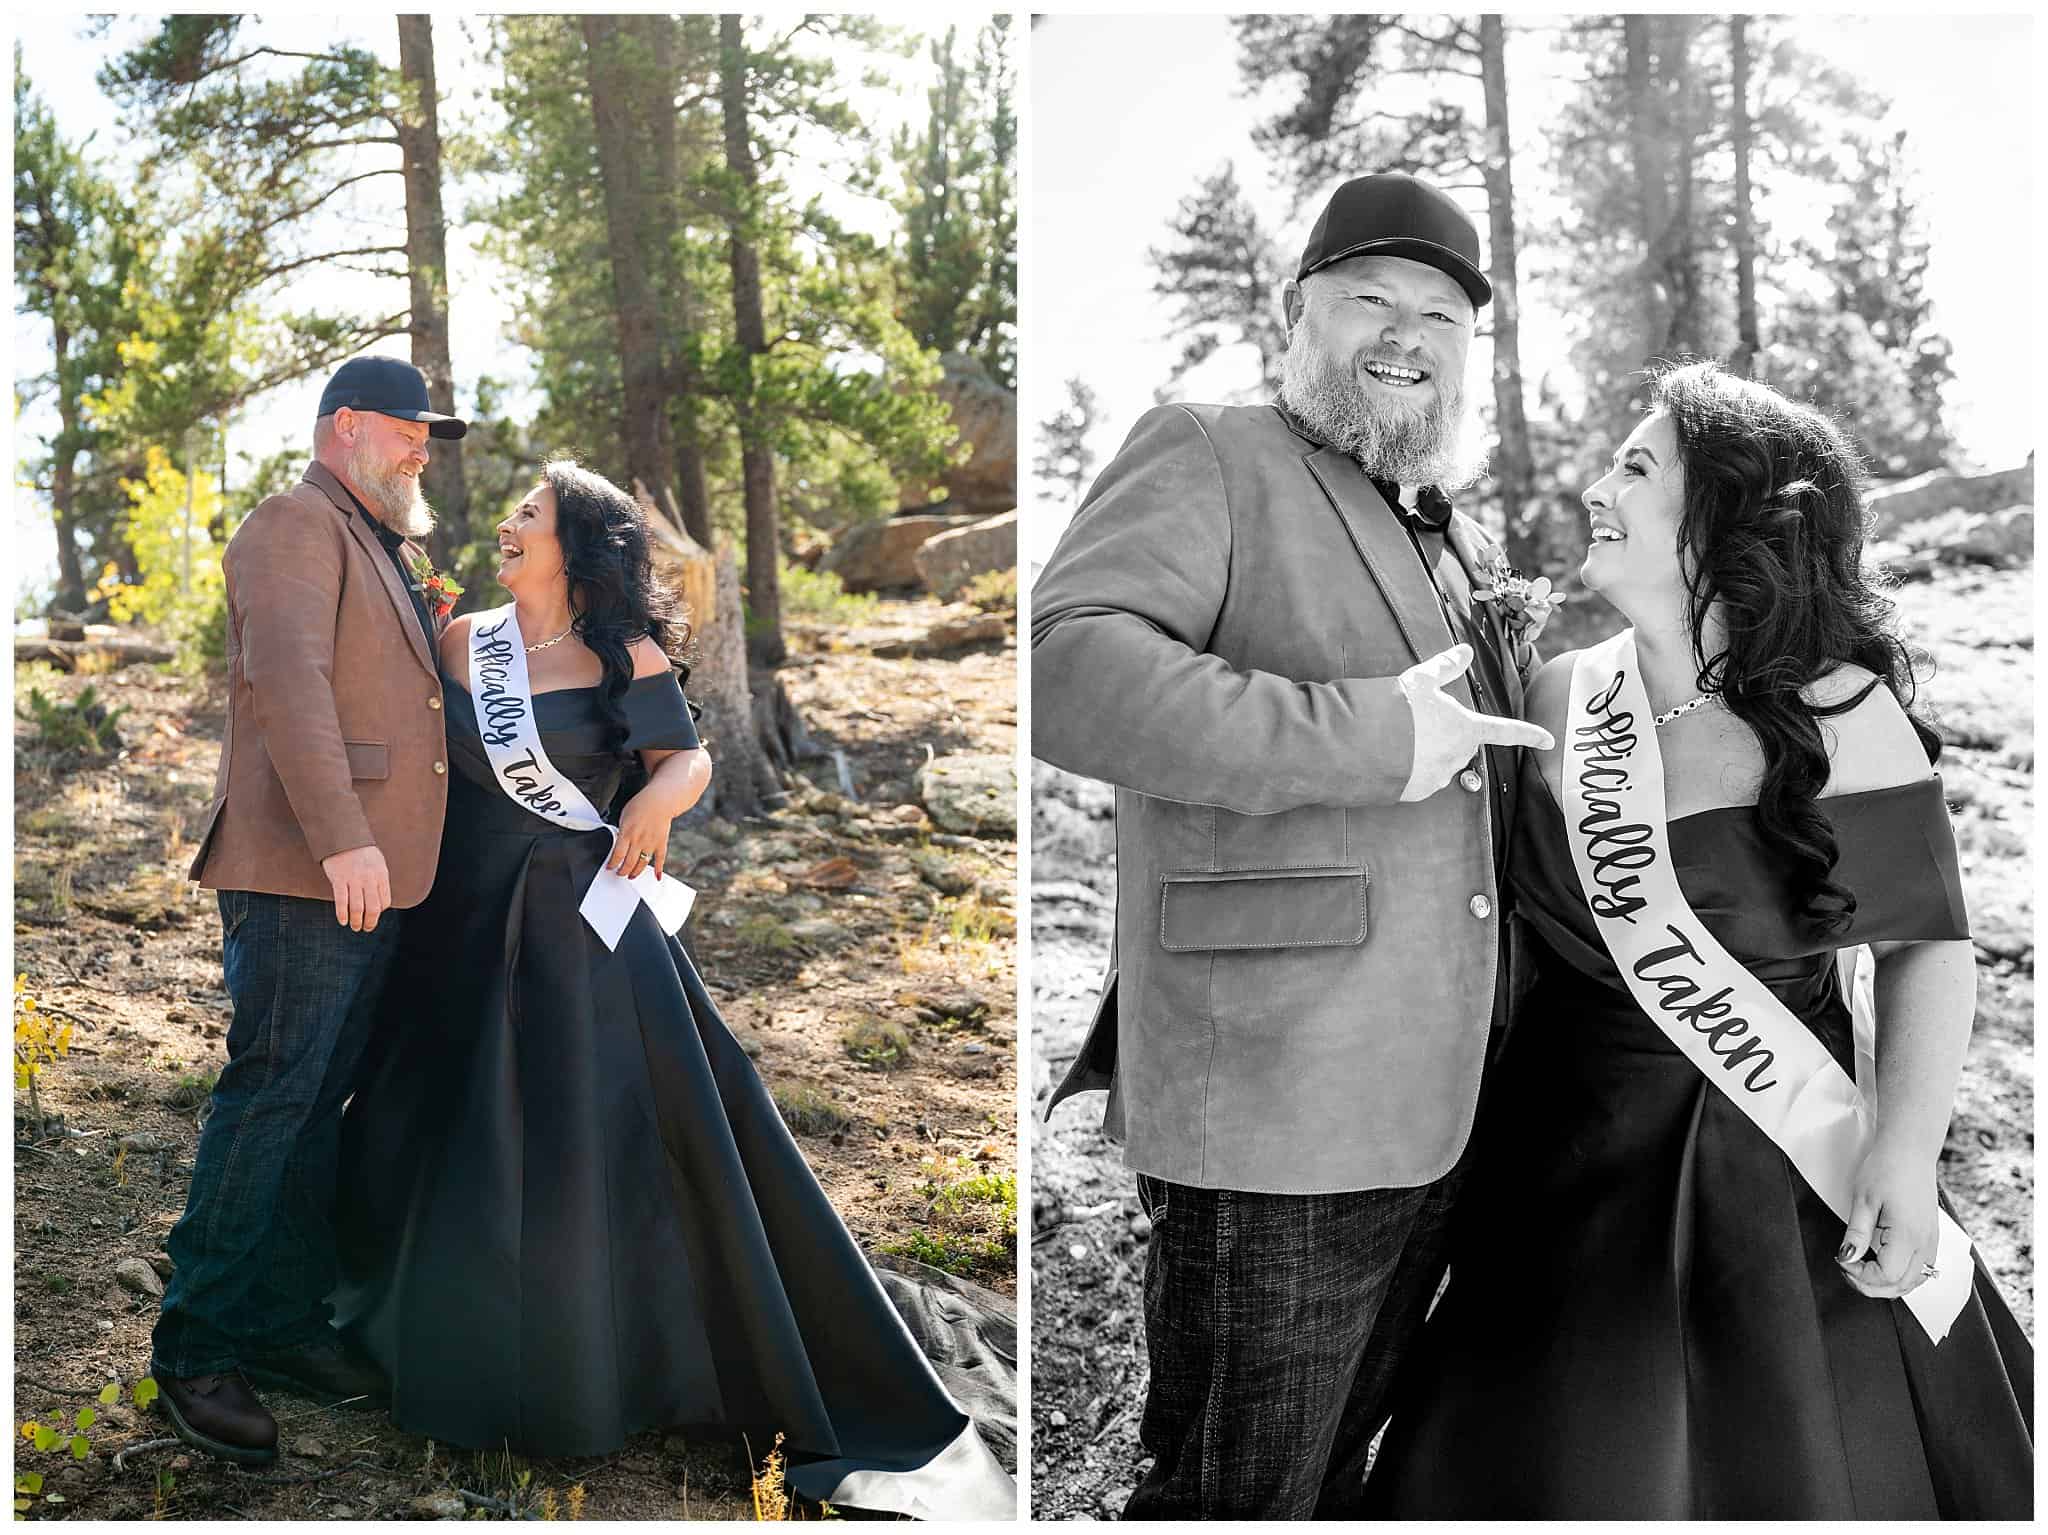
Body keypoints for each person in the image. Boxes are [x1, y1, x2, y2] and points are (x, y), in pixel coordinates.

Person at [1365, 360, 2033, 1517]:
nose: (1595, 486)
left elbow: (1925, 942)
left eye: (1635, 467)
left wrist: (1905, 1149)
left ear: (1728, 510)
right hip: (1554, 1166)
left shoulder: (1836, 710)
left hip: (1770, 1177)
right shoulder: (1554, 693)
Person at [329, 460, 1016, 1521]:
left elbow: (686, 759)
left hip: (584, 928)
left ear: (579, 548)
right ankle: (439, 1337)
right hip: (460, 926)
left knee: (590, 1138)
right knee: (455, 1123)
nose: (506, 528)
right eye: (512, 513)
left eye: (529, 515)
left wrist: (654, 795)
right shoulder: (465, 640)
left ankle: (611, 1362)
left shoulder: (626, 653)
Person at [1031, 171, 1553, 1519]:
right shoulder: (1210, 450)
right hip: (1274, 1100)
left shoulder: (1456, 530)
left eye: (1438, 312)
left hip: (1449, 1104)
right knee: (1232, 1487)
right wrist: (1371, 737)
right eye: (1369, 297)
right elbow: (1066, 670)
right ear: (1293, 310)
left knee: (1334, 1474)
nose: (1405, 331)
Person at [152, 357, 467, 1465]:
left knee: (314, 1101)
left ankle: (282, 1323)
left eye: (432, 432)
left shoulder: (378, 538)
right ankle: (196, 1346)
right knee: (270, 1098)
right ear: (345, 426)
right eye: (410, 428)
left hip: (374, 872)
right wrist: (344, 836)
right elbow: (288, 689)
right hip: (309, 868)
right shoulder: (291, 521)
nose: (425, 446)